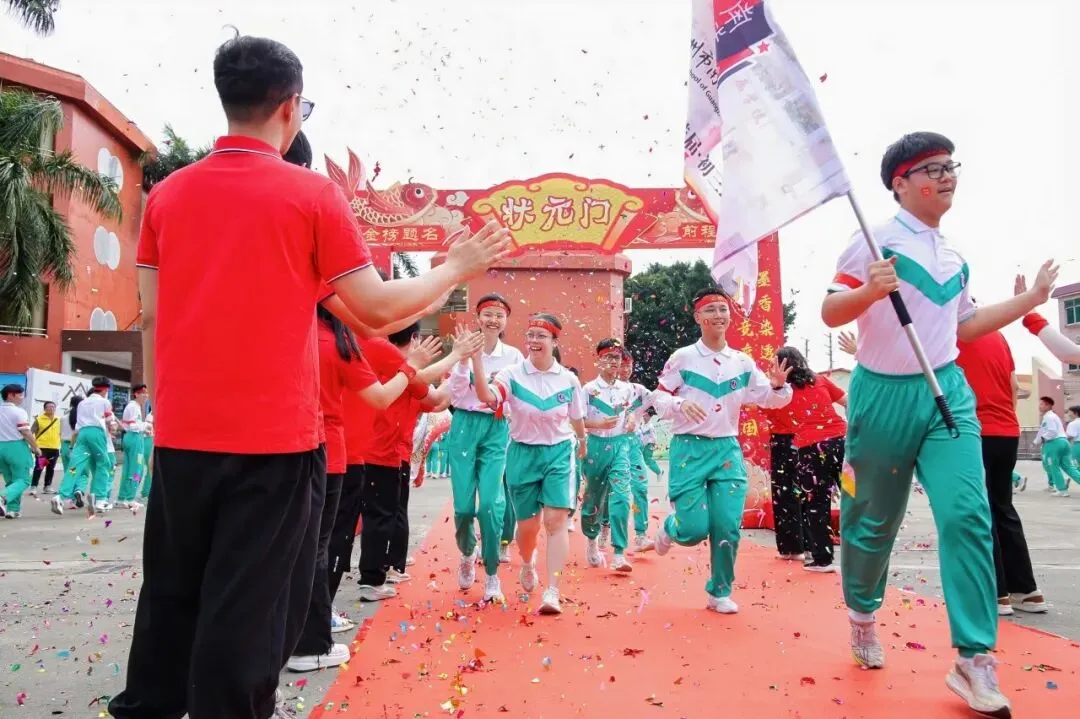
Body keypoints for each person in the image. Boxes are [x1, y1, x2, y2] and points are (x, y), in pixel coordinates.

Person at [108, 34, 509, 719]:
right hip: (273, 443)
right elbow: (378, 309)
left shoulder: (168, 197)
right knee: (251, 605)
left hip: (181, 435)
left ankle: (149, 706)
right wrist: (455, 268)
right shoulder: (309, 196)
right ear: (292, 106)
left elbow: (148, 313)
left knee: (172, 594)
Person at [821, 131, 1055, 716]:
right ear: (900, 184)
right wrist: (868, 291)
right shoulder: (873, 242)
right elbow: (830, 310)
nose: (946, 175)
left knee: (968, 515)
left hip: (947, 392)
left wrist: (1030, 301)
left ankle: (974, 660)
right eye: (931, 168)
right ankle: (861, 613)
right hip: (881, 397)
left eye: (951, 165)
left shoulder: (954, 256)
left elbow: (965, 326)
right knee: (873, 521)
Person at [651, 288, 792, 615]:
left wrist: (778, 386)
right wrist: (678, 402)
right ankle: (670, 529)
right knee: (694, 529)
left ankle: (719, 591)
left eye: (723, 309)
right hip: (689, 449)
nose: (718, 315)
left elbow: (769, 398)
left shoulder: (741, 362)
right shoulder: (683, 358)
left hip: (726, 450)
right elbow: (657, 398)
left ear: (731, 316)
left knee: (727, 526)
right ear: (698, 317)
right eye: (710, 310)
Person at [471, 313, 587, 614]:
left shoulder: (569, 380)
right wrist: (476, 360)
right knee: (527, 529)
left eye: (541, 336)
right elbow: (487, 397)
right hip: (522, 453)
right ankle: (527, 560)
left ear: (554, 341)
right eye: (531, 335)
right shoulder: (511, 375)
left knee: (555, 521)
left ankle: (553, 591)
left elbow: (576, 418)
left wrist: (583, 441)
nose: (534, 341)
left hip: (559, 452)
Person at [953, 330, 1049, 615]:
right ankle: (1026, 591)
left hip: (974, 431)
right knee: (1003, 507)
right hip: (1006, 430)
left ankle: (996, 593)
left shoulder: (947, 332)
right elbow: (1012, 386)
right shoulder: (997, 335)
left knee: (979, 511)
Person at [446, 294, 525, 600]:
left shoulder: (514, 357)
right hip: (465, 427)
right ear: (478, 318)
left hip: (496, 428)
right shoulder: (465, 348)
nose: (493, 319)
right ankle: (467, 552)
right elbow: (455, 394)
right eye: (488, 314)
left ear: (506, 321)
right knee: (464, 507)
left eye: (499, 315)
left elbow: (516, 396)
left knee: (491, 505)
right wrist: (464, 358)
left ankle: (492, 574)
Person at [773, 347, 847, 572]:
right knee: (852, 491)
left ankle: (823, 559)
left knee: (817, 502)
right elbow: (847, 401)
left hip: (812, 452)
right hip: (841, 444)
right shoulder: (821, 379)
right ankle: (866, 548)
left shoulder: (781, 391)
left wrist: (776, 385)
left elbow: (771, 410)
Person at [579, 339, 637, 571]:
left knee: (623, 496)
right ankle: (592, 539)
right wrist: (598, 423)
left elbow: (630, 410)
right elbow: (578, 420)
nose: (613, 362)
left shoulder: (627, 388)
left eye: (617, 358)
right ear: (598, 360)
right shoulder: (588, 389)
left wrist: (631, 419)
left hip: (620, 446)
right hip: (595, 446)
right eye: (608, 357)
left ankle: (619, 553)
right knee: (594, 497)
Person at [619, 349, 660, 552]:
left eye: (629, 365)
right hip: (610, 444)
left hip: (633, 444)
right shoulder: (598, 390)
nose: (625, 369)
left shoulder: (640, 391)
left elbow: (661, 400)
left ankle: (641, 535)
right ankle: (602, 529)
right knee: (609, 492)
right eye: (622, 364)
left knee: (640, 487)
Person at [65, 378, 117, 517]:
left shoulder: (82, 403)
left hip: (82, 435)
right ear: (106, 389)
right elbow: (110, 423)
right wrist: (113, 427)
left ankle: (61, 495)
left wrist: (71, 447)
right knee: (105, 466)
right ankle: (100, 499)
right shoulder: (104, 402)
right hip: (98, 435)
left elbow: (77, 429)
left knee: (77, 468)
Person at [762, 391, 804, 561]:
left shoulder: (771, 390)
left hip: (792, 440)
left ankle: (793, 548)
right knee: (791, 494)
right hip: (796, 440)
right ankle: (795, 548)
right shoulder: (770, 389)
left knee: (787, 494)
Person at [0, 384, 40, 518]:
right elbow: (26, 432)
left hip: (0, 447)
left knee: (11, 480)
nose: (22, 398)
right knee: (23, 480)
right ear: (11, 395)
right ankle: (2, 497)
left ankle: (13, 510)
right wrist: (36, 447)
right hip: (16, 447)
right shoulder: (19, 411)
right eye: (20, 395)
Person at [1034, 396, 1080, 497]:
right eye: (1040, 404)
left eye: (1042, 404)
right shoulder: (1053, 416)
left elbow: (1051, 431)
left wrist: (1041, 440)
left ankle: (1061, 489)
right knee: (1069, 467)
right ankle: (1061, 487)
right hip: (1064, 442)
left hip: (1054, 443)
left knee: (1053, 466)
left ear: (1049, 405)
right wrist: (1037, 441)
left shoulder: (1048, 417)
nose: (1040, 406)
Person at [116, 385, 150, 509]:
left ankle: (122, 497)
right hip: (135, 438)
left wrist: (143, 428)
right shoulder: (134, 407)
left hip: (131, 437)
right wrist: (146, 425)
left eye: (147, 393)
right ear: (136, 394)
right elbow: (133, 426)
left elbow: (128, 425)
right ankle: (130, 498)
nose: (146, 396)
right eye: (143, 393)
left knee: (128, 469)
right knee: (137, 469)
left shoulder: (132, 406)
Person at [29, 400, 61, 496]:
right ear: (44, 409)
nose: (51, 408)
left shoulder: (58, 419)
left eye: (53, 407)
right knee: (39, 467)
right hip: (42, 448)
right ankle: (33, 486)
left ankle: (47, 486)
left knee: (51, 468)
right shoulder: (39, 419)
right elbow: (31, 432)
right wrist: (32, 446)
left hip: (54, 448)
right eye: (49, 406)